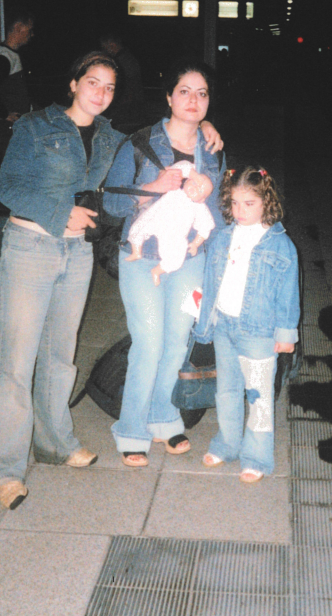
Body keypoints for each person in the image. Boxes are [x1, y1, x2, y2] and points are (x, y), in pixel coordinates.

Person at [0, 51, 125, 510]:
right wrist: (59, 213)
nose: (101, 93)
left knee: (60, 357)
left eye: (109, 87)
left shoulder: (110, 139)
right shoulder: (35, 126)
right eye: (93, 82)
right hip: (29, 249)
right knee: (16, 365)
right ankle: (5, 471)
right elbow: (6, 187)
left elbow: (153, 149)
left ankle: (54, 444)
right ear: (73, 83)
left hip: (77, 253)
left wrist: (202, 128)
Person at [102, 60, 227, 467]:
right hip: (142, 256)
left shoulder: (213, 151)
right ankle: (131, 427)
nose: (193, 100)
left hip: (190, 258)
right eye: (185, 91)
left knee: (177, 341)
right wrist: (150, 189)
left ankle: (162, 415)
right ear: (169, 97)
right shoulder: (138, 143)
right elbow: (111, 204)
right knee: (149, 340)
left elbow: (217, 215)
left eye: (202, 93)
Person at [194, 166, 300, 483]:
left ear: (266, 202)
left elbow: (288, 293)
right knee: (226, 391)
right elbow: (210, 281)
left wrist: (286, 333)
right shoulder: (223, 236)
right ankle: (227, 444)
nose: (240, 211)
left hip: (258, 331)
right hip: (225, 325)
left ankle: (256, 457)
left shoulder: (280, 245)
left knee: (258, 397)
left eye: (249, 204)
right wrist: (204, 320)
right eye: (235, 203)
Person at [125, 161, 215, 286]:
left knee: (176, 257)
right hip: (155, 218)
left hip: (173, 234)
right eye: (193, 182)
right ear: (187, 180)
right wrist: (195, 174)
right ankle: (136, 251)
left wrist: (195, 243)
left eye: (200, 189)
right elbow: (178, 168)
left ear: (202, 199)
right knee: (138, 228)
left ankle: (157, 271)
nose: (195, 187)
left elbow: (205, 227)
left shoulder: (199, 207)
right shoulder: (175, 189)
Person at [0, 12, 35, 167]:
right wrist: (3, 114)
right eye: (29, 29)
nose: (32, 34)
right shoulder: (3, 58)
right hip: (7, 130)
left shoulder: (12, 56)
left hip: (16, 128)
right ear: (18, 27)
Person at [100, 32, 144, 132]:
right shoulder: (126, 58)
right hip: (129, 108)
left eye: (105, 46)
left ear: (112, 44)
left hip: (126, 110)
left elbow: (129, 87)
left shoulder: (122, 61)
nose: (104, 50)